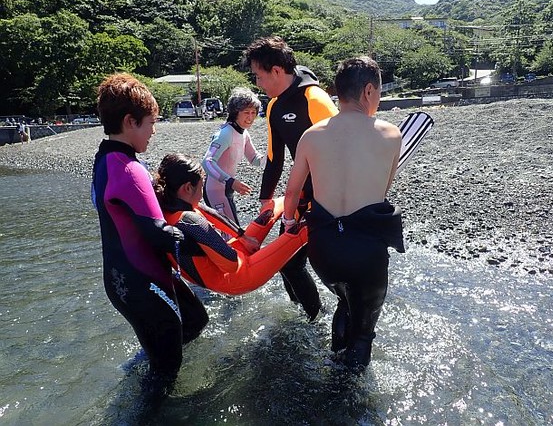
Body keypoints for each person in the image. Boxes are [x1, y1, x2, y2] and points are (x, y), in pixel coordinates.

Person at [283, 56, 405, 370]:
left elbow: (292, 192)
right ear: (368, 91)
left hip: (323, 250)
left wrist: (290, 223)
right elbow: (382, 192)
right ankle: (347, 397)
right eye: (378, 93)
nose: (378, 99)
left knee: (343, 300)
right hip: (365, 253)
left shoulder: (310, 136)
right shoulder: (391, 134)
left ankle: (335, 359)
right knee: (363, 334)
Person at [91, 73, 208, 386]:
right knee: (166, 372)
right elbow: (158, 234)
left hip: (127, 278)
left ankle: (142, 362)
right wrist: (210, 242)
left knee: (196, 320)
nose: (154, 131)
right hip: (141, 284)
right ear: (130, 122)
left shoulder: (105, 159)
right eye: (151, 122)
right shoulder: (129, 171)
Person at [243, 36, 339, 321]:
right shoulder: (274, 106)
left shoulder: (315, 100)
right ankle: (301, 313)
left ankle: (315, 318)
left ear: (276, 71)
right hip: (299, 197)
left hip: (328, 200)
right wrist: (265, 200)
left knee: (291, 264)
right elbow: (274, 158)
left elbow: (343, 153)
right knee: (285, 262)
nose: (257, 83)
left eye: (259, 76)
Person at [154, 152, 308, 296]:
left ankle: (305, 193)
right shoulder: (190, 221)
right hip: (238, 277)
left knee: (270, 210)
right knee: (299, 232)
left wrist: (243, 237)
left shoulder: (167, 205)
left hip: (228, 260)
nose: (202, 194)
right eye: (201, 187)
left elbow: (211, 214)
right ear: (187, 188)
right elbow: (231, 264)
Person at [201, 87, 265, 226]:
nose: (250, 117)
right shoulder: (225, 134)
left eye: (253, 113)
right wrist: (231, 182)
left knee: (233, 231)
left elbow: (255, 160)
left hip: (226, 189)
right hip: (215, 190)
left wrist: (274, 153)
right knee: (232, 234)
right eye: (246, 112)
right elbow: (207, 162)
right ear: (235, 112)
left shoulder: (243, 133)